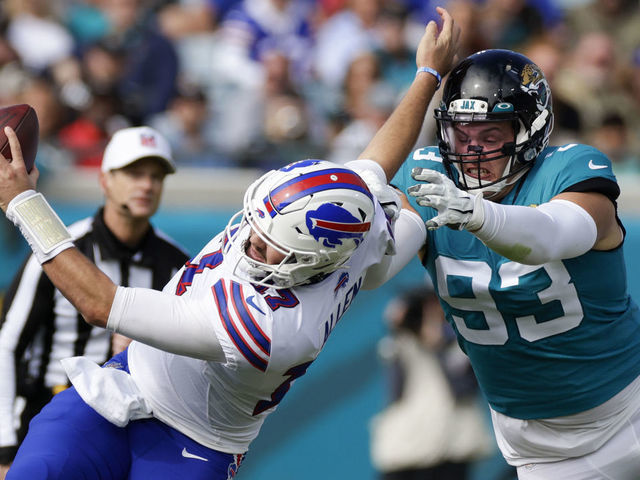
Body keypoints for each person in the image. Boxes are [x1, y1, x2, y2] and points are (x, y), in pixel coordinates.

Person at [0, 9, 459, 479]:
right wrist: (427, 74)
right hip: (124, 383)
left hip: (194, 441)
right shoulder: (341, 225)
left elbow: (98, 305)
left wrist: (23, 203)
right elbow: (376, 162)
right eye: (255, 227)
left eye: (266, 245)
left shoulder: (274, 327)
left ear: (311, 261)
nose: (249, 243)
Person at [359, 48, 640, 479]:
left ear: (529, 132)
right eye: (461, 135)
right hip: (537, 444)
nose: (472, 152)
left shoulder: (569, 169)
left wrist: (478, 215)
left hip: (629, 407)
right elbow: (377, 270)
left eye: (490, 137)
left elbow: (550, 235)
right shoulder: (431, 180)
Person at [0, 125, 190, 478]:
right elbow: (7, 345)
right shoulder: (61, 250)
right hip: (46, 415)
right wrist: (5, 447)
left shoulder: (178, 266)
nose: (146, 185)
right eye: (134, 173)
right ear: (104, 180)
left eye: (156, 176)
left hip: (129, 429)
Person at [370, 282, 494, 480]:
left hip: (452, 444)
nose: (430, 312)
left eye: (435, 304)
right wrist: (401, 326)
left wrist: (440, 343)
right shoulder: (399, 345)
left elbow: (464, 388)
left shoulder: (462, 341)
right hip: (407, 445)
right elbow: (395, 390)